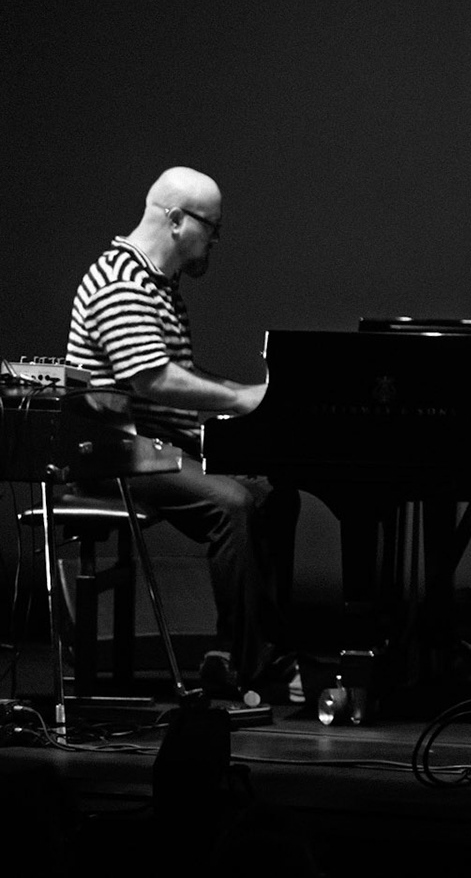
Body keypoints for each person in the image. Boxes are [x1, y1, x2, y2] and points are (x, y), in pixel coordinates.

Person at [66, 166, 299, 699]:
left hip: (158, 450)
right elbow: (155, 378)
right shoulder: (120, 281)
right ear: (175, 220)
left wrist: (249, 399)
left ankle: (239, 651)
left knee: (275, 494)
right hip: (117, 454)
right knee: (232, 504)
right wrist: (243, 398)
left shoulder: (158, 284)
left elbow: (179, 375)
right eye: (210, 228)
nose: (214, 240)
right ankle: (250, 667)